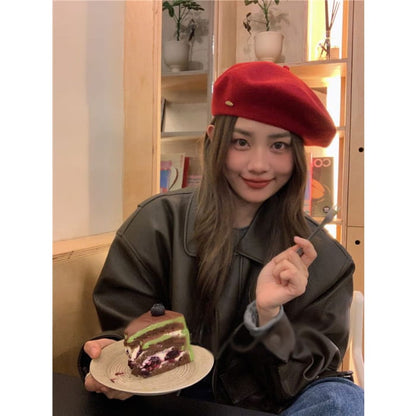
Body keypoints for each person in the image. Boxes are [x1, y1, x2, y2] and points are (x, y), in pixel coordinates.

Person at [79, 62, 364, 414]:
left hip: (271, 408)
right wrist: (109, 362)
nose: (258, 165)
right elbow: (123, 333)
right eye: (241, 142)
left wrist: (268, 316)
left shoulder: (326, 259)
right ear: (214, 139)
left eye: (278, 146)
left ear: (297, 156)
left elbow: (307, 380)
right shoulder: (156, 224)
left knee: (344, 399)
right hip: (172, 402)